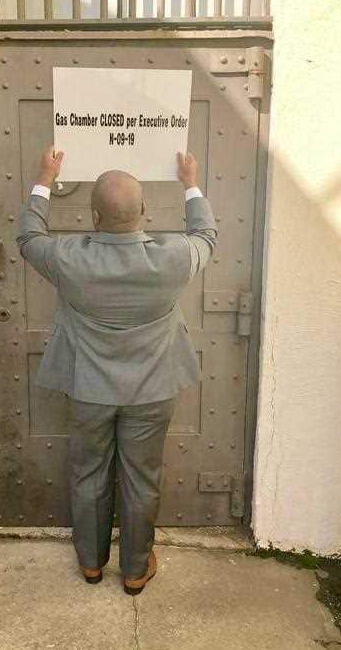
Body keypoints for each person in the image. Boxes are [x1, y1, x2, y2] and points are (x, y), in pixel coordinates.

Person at [16, 147, 217, 595]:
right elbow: (206, 232)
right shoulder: (175, 257)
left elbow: (28, 238)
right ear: (144, 210)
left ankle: (90, 564)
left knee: (89, 473)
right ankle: (135, 570)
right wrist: (190, 183)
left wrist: (45, 177)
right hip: (153, 390)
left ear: (93, 215)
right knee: (141, 479)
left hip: (89, 390)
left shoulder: (69, 257)